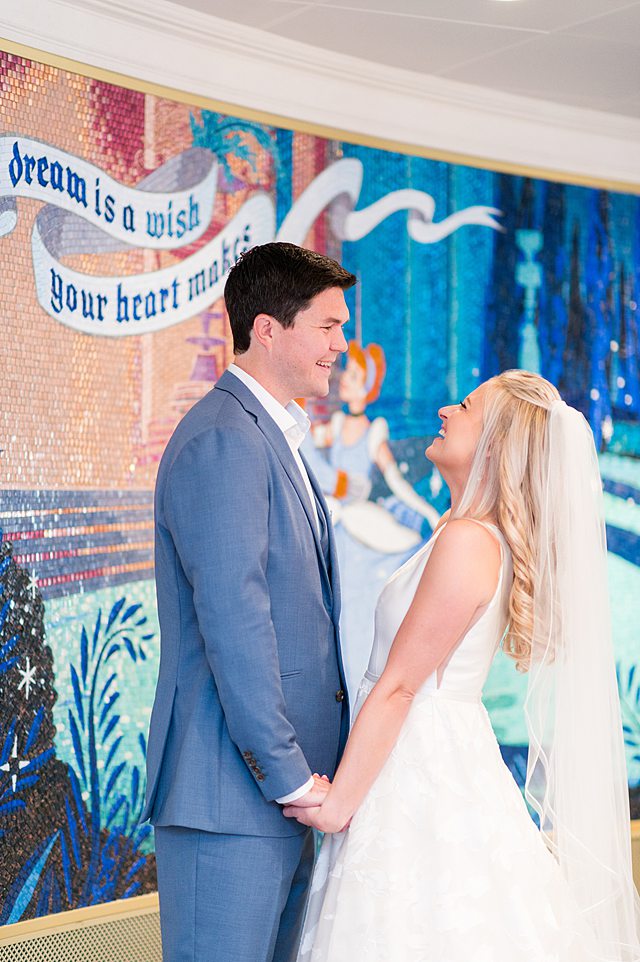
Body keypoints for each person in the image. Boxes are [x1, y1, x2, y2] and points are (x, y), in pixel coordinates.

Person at [285, 369, 640, 961]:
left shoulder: (470, 541)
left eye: (467, 407)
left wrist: (338, 804)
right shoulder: (467, 533)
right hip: (420, 758)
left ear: (496, 445)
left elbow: (400, 687)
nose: (447, 409)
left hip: (414, 769)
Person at [141, 242, 356, 962]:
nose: (341, 345)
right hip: (233, 799)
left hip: (278, 801)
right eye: (328, 326)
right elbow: (237, 623)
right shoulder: (225, 438)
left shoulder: (271, 436)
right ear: (268, 328)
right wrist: (290, 774)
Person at [302, 340, 439, 699]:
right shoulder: (332, 424)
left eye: (354, 374)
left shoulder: (374, 429)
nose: (344, 378)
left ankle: (360, 687)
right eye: (346, 372)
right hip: (337, 525)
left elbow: (393, 478)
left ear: (367, 385)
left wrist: (426, 510)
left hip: (360, 529)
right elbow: (303, 444)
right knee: (335, 610)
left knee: (361, 612)